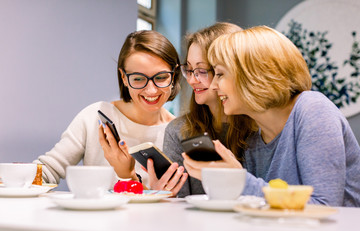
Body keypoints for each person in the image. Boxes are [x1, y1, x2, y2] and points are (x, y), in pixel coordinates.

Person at [183, 25, 360, 207]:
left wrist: (239, 179)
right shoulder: (253, 142)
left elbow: (325, 207)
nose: (213, 86)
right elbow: (261, 207)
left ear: (252, 75)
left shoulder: (313, 110)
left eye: (219, 74)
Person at [34, 30, 183, 187]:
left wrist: (130, 177)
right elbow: (47, 169)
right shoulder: (94, 117)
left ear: (173, 75)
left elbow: (179, 204)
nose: (151, 90)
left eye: (161, 77)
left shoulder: (180, 134)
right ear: (124, 77)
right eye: (138, 79)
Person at [148, 22, 256, 197]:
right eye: (189, 70)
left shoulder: (260, 128)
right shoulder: (178, 131)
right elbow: (180, 203)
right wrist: (163, 194)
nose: (191, 80)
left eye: (201, 71)